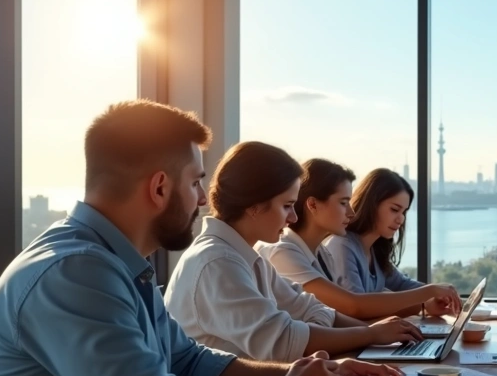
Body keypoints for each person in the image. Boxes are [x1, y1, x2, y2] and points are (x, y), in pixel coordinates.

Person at [0, 101, 406, 376]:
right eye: (195, 181)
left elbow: (189, 361)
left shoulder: (115, 265)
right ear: (159, 187)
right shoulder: (74, 274)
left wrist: (308, 375)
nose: (202, 198)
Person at [166, 142, 424, 363]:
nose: (293, 216)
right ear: (255, 206)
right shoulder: (218, 263)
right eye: (287, 205)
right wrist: (371, 334)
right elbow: (282, 341)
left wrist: (377, 331)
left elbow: (308, 307)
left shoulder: (248, 258)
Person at [259, 158, 461, 320]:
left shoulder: (323, 254)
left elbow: (335, 316)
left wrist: (425, 303)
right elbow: (353, 306)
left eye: (404, 212)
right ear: (312, 205)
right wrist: (426, 296)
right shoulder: (287, 252)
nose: (351, 212)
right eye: (343, 203)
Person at [329, 168, 453, 301]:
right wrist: (428, 297)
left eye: (403, 212)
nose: (401, 219)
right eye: (394, 210)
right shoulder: (342, 246)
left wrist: (441, 294)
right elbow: (357, 307)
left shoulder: (375, 250)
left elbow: (402, 284)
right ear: (371, 204)